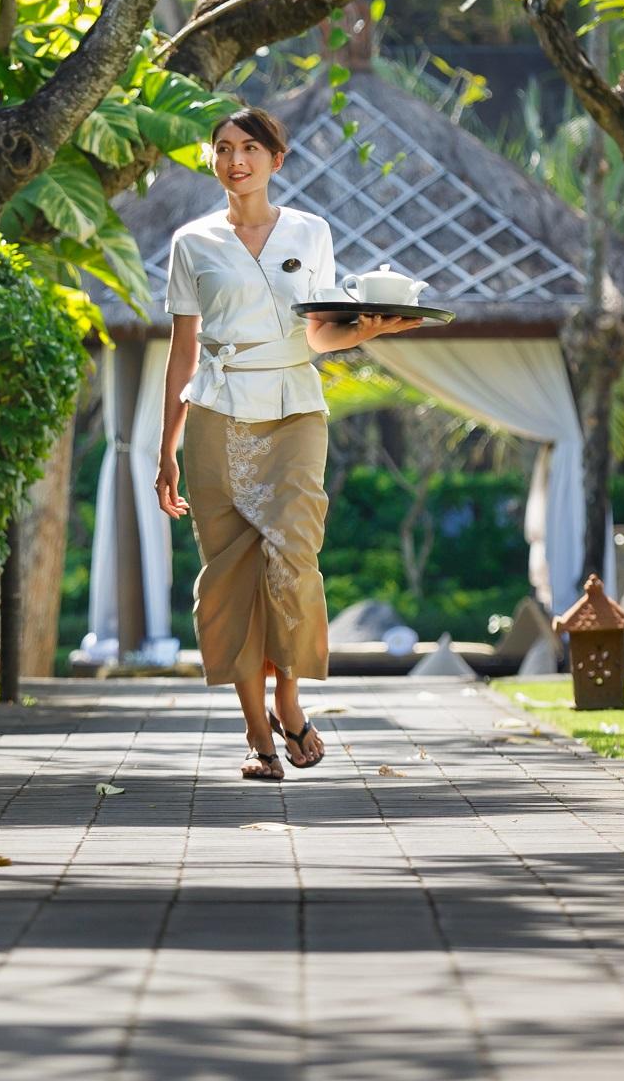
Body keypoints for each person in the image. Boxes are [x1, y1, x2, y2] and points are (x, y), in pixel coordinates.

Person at [155, 106, 414, 782]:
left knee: (293, 561)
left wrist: (369, 333)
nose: (235, 160)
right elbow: (182, 353)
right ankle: (257, 739)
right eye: (223, 149)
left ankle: (289, 703)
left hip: (296, 408)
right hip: (216, 411)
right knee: (232, 578)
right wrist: (165, 453)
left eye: (249, 148)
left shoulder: (310, 231)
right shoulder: (192, 243)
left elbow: (318, 331)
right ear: (212, 160)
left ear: (277, 158)